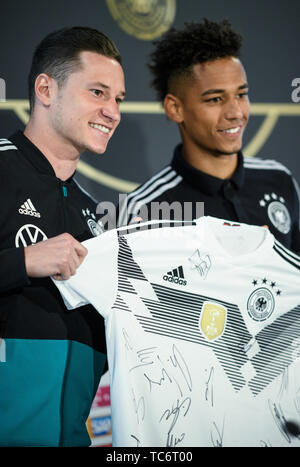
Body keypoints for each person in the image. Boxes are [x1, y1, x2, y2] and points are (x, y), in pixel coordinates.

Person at [0, 26, 125, 447]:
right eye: (98, 93)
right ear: (46, 89)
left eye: (118, 100)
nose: (113, 111)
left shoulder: (98, 221)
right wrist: (23, 262)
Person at [117, 19, 300, 254]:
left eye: (241, 94)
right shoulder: (145, 210)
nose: (236, 113)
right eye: (215, 99)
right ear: (175, 108)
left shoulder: (279, 179)